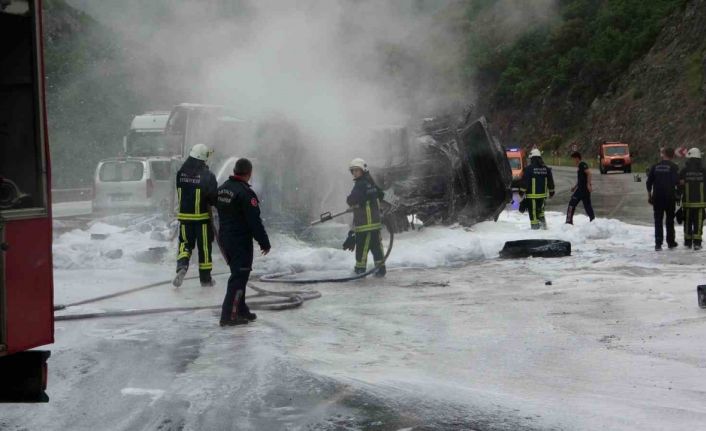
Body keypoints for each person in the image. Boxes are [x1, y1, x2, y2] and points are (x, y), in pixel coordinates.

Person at [216, 158, 271, 326]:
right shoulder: (245, 193)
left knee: (239, 274)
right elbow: (254, 221)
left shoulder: (223, 189)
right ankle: (229, 315)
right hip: (240, 240)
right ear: (249, 173)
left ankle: (241, 309)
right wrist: (264, 242)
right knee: (239, 276)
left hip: (225, 238)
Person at [173, 144, 218, 288]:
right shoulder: (208, 176)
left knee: (185, 244)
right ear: (203, 159)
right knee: (204, 248)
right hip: (202, 219)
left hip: (185, 218)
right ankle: (205, 280)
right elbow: (213, 198)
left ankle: (182, 267)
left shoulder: (181, 173)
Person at [345, 158, 386, 277]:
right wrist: (364, 200)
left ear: (363, 170)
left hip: (365, 225)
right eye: (353, 171)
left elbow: (351, 200)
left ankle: (359, 272)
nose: (355, 173)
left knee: (362, 250)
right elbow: (381, 195)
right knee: (376, 248)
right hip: (375, 224)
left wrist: (357, 202)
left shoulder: (360, 184)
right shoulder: (370, 183)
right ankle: (380, 270)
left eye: (357, 170)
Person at [647, 147, 680, 251]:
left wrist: (649, 196)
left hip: (657, 197)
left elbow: (649, 183)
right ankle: (671, 242)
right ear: (672, 155)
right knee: (670, 220)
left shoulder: (655, 166)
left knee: (658, 220)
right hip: (670, 197)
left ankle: (658, 243)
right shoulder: (674, 167)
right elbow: (676, 181)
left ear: (664, 154)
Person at [519, 149, 555, 230]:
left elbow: (525, 182)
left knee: (533, 214)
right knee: (541, 211)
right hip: (542, 196)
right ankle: (543, 227)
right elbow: (550, 182)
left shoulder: (529, 169)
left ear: (532, 158)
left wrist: (521, 192)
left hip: (532, 197)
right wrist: (552, 192)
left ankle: (535, 229)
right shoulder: (546, 169)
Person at [679, 148, 706, 250]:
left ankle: (687, 242)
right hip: (700, 203)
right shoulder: (704, 171)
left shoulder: (684, 171)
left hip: (687, 202)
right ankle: (697, 243)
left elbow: (679, 185)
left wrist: (678, 197)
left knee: (687, 222)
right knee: (698, 222)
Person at [566, 151, 595, 224]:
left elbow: (589, 173)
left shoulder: (582, 164)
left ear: (577, 158)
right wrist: (575, 187)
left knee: (587, 206)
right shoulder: (579, 166)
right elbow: (580, 179)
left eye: (573, 159)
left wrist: (588, 184)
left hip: (584, 190)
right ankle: (569, 222)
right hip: (579, 189)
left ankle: (593, 221)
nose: (573, 161)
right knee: (572, 204)